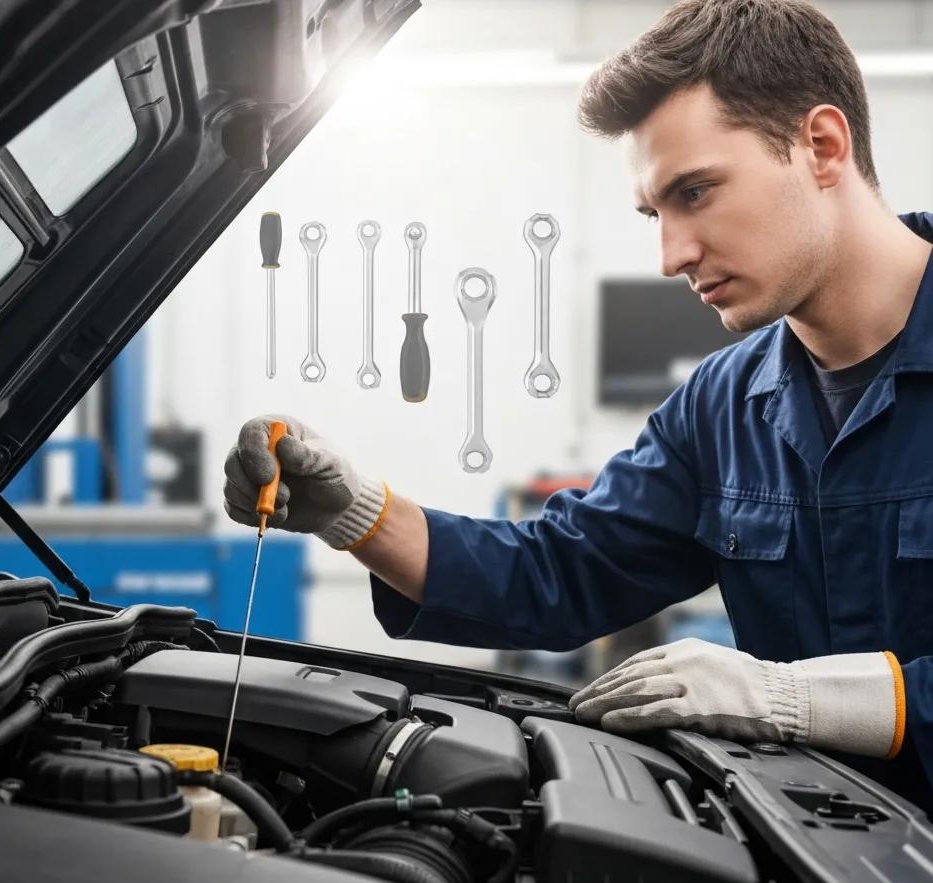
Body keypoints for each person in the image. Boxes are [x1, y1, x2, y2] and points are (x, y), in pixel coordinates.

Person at [224, 0, 933, 813]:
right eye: (654, 213)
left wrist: (800, 701)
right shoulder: (726, 404)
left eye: (696, 192)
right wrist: (357, 514)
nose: (672, 255)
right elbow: (560, 571)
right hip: (832, 871)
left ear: (821, 146)